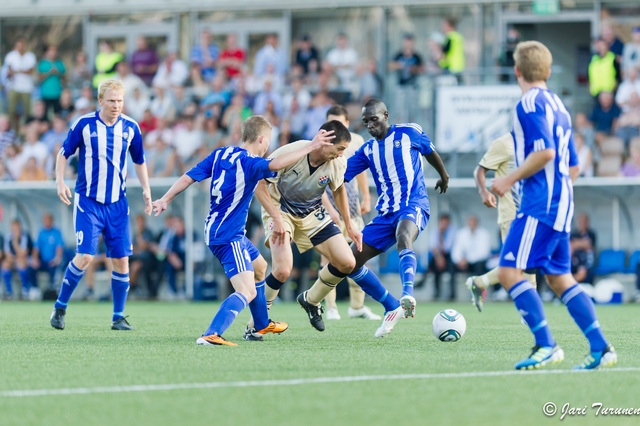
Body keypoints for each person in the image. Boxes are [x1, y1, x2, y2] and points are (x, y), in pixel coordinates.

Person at [152, 115, 333, 346]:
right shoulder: (250, 162)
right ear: (261, 139)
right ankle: (212, 333)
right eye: (268, 142)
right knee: (246, 290)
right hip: (228, 236)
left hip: (220, 230)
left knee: (260, 267)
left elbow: (189, 177)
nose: (268, 147)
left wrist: (165, 199)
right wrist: (311, 146)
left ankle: (261, 323)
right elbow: (276, 164)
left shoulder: (220, 154)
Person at [491, 41, 616, 370]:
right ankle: (601, 348)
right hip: (562, 202)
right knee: (560, 278)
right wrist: (557, 192)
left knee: (507, 271)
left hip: (541, 203)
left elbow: (545, 152)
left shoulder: (528, 104)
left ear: (517, 71)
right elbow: (571, 163)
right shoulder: (558, 105)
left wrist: (508, 180)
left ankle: (546, 344)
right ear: (547, 71)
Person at [302, 98, 449, 337]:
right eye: (366, 122)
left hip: (414, 204)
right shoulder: (368, 150)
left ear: (386, 115)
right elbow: (339, 177)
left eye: (374, 119)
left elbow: (430, 152)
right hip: (385, 214)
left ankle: (407, 294)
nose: (370, 125)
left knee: (404, 235)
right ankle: (391, 306)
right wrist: (310, 183)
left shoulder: (410, 132)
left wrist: (444, 175)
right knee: (348, 260)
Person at [49, 79, 153, 331]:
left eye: (120, 101)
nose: (116, 105)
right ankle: (60, 306)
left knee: (121, 260)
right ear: (100, 101)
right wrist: (60, 180)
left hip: (118, 204)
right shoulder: (84, 124)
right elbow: (64, 153)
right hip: (89, 202)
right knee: (85, 256)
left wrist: (146, 188)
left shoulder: (130, 127)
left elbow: (139, 160)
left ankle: (118, 316)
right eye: (111, 101)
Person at [253, 120, 361, 334]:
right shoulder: (292, 151)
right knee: (283, 270)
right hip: (280, 210)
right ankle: (256, 325)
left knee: (347, 262)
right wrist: (276, 219)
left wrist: (349, 224)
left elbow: (338, 189)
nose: (341, 154)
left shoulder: (338, 163)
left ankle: (311, 300)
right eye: (339, 149)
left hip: (312, 212)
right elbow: (260, 183)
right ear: (326, 141)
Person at [318, 105, 378, 321]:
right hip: (327, 210)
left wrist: (366, 196)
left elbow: (361, 170)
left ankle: (357, 306)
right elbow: (316, 181)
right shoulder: (320, 143)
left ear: (347, 123)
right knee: (329, 258)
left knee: (359, 255)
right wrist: (329, 208)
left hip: (351, 207)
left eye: (340, 123)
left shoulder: (356, 142)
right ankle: (331, 307)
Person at [467, 133, 536, 311]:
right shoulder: (504, 144)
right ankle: (530, 311)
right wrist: (483, 191)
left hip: (532, 212)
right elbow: (479, 170)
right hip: (511, 214)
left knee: (519, 265)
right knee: (525, 262)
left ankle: (479, 282)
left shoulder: (535, 141)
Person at [451, 215, 491, 299]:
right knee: (450, 265)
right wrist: (460, 260)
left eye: (474, 223)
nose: (472, 225)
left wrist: (467, 259)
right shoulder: (461, 233)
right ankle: (451, 295)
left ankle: (477, 293)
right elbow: (456, 250)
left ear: (477, 223)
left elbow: (483, 253)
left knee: (479, 267)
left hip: (477, 263)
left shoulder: (484, 234)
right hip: (464, 263)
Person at [388, 33, 423, 123]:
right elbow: (390, 66)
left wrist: (414, 69)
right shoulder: (399, 55)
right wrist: (398, 65)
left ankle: (410, 131)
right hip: (401, 86)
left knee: (412, 112)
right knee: (399, 112)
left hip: (412, 87)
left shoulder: (416, 56)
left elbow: (422, 69)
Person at [4, 37, 36, 131]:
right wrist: (21, 71)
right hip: (14, 86)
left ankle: (25, 130)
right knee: (11, 110)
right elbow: (9, 71)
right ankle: (10, 130)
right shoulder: (11, 55)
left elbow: (31, 71)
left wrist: (17, 71)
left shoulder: (30, 56)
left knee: (26, 111)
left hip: (26, 88)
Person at [2, 219, 34, 299]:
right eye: (14, 229)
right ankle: (8, 292)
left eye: (17, 228)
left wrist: (15, 243)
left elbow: (23, 254)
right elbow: (7, 254)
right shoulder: (8, 237)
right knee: (5, 264)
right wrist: (14, 259)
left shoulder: (25, 236)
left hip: (26, 260)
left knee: (21, 263)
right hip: (14, 260)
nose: (15, 231)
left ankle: (25, 290)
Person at [32, 213, 65, 290]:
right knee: (31, 269)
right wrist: (35, 259)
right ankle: (35, 288)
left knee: (54, 267)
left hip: (53, 261)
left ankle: (52, 288)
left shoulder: (57, 232)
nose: (46, 222)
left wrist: (56, 259)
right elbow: (36, 248)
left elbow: (59, 247)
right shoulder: (41, 232)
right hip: (43, 261)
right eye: (45, 220)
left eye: (48, 220)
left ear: (52, 221)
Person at [37, 45, 66, 117]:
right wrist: (49, 72)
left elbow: (65, 78)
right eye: (51, 50)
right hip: (46, 94)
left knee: (58, 115)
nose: (53, 53)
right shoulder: (42, 63)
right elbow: (39, 78)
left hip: (57, 94)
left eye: (54, 51)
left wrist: (58, 73)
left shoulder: (59, 63)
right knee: (45, 116)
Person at [570, 214, 596, 285]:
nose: (582, 223)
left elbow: (588, 245)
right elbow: (571, 244)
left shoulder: (591, 234)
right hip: (575, 265)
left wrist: (576, 243)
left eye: (584, 221)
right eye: (580, 221)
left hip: (586, 265)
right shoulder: (574, 233)